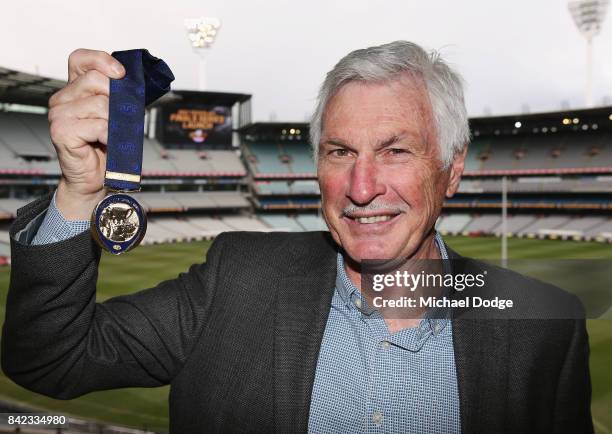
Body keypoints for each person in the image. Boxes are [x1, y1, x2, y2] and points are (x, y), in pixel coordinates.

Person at [2, 41, 592, 433]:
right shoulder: (234, 279)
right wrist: (80, 191)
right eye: (339, 152)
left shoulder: (546, 326)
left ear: (452, 169)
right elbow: (49, 359)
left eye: (395, 151)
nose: (361, 187)